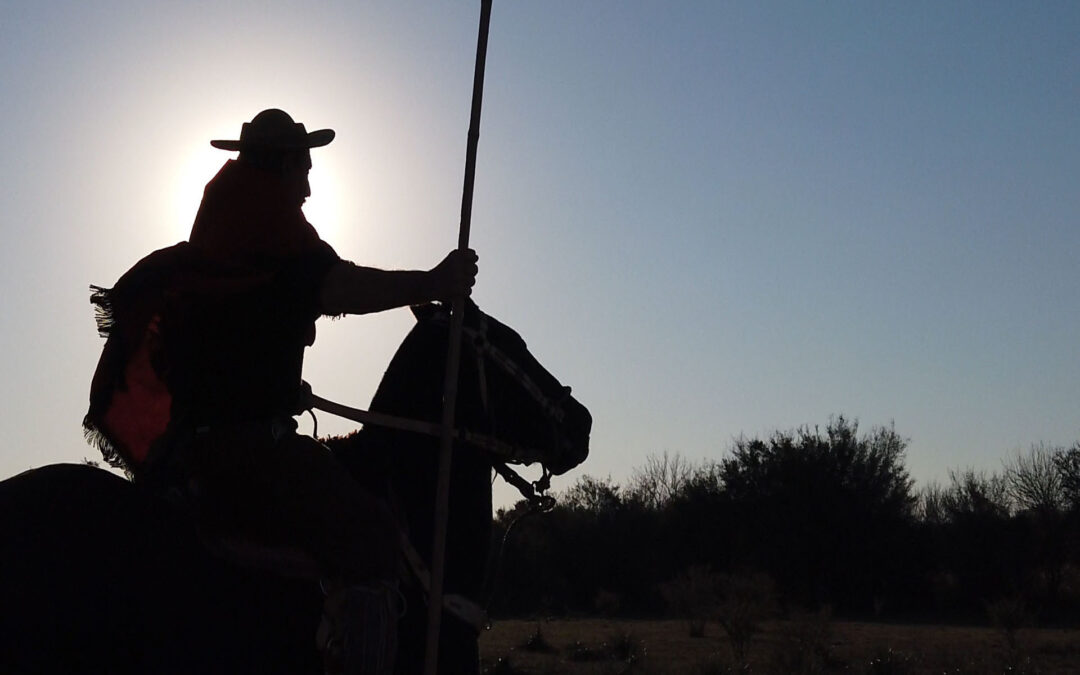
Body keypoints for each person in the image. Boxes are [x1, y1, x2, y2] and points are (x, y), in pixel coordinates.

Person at [83, 108, 478, 674]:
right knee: (372, 541)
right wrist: (432, 283)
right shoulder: (268, 220)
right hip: (246, 448)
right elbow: (339, 287)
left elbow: (240, 339)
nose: (311, 187)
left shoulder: (229, 223)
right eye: (305, 168)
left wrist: (279, 388)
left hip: (209, 438)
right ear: (286, 164)